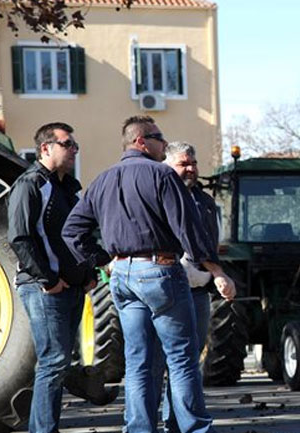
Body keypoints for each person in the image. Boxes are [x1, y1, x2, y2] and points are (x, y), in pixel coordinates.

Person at [61, 116, 235, 433]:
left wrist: (105, 261)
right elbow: (189, 230)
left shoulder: (102, 180)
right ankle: (193, 428)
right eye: (159, 138)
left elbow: (72, 232)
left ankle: (139, 428)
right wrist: (217, 270)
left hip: (122, 276)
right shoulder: (161, 176)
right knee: (182, 359)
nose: (164, 144)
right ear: (142, 141)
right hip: (161, 272)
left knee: (138, 361)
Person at [7, 122, 117, 433]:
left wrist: (93, 270)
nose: (75, 150)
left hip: (72, 288)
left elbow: (77, 237)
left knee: (57, 362)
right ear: (45, 148)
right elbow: (20, 238)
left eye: (74, 145)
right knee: (53, 362)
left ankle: (69, 400)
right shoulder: (29, 185)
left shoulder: (69, 188)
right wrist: (47, 280)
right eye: (68, 144)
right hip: (45, 290)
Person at [156, 141, 220, 432]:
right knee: (163, 361)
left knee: (188, 362)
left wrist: (216, 273)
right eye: (184, 164)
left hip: (198, 291)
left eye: (193, 163)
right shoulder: (157, 194)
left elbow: (210, 244)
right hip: (165, 286)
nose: (191, 169)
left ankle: (175, 423)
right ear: (168, 164)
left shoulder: (205, 202)